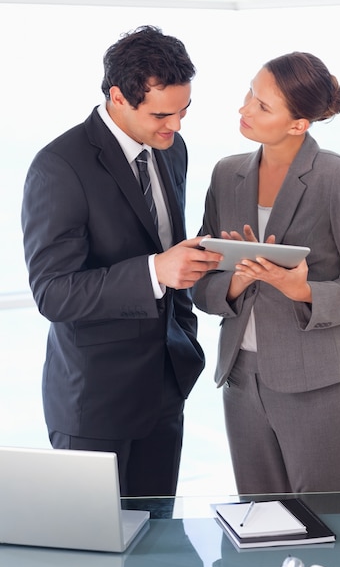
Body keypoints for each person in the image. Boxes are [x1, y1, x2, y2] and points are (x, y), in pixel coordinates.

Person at [21, 25, 222, 497]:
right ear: (117, 97)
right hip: (95, 404)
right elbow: (53, 292)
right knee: (96, 556)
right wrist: (156, 271)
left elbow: (165, 241)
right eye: (161, 114)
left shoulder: (174, 151)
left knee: (158, 544)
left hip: (167, 386)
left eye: (183, 110)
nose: (175, 126)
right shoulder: (59, 167)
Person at [192, 51, 340, 494]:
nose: (245, 108)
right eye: (249, 94)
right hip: (240, 380)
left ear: (298, 124)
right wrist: (239, 279)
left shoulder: (337, 179)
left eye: (263, 105)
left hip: (316, 385)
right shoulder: (226, 175)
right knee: (258, 528)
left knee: (329, 534)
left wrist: (302, 290)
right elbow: (201, 286)